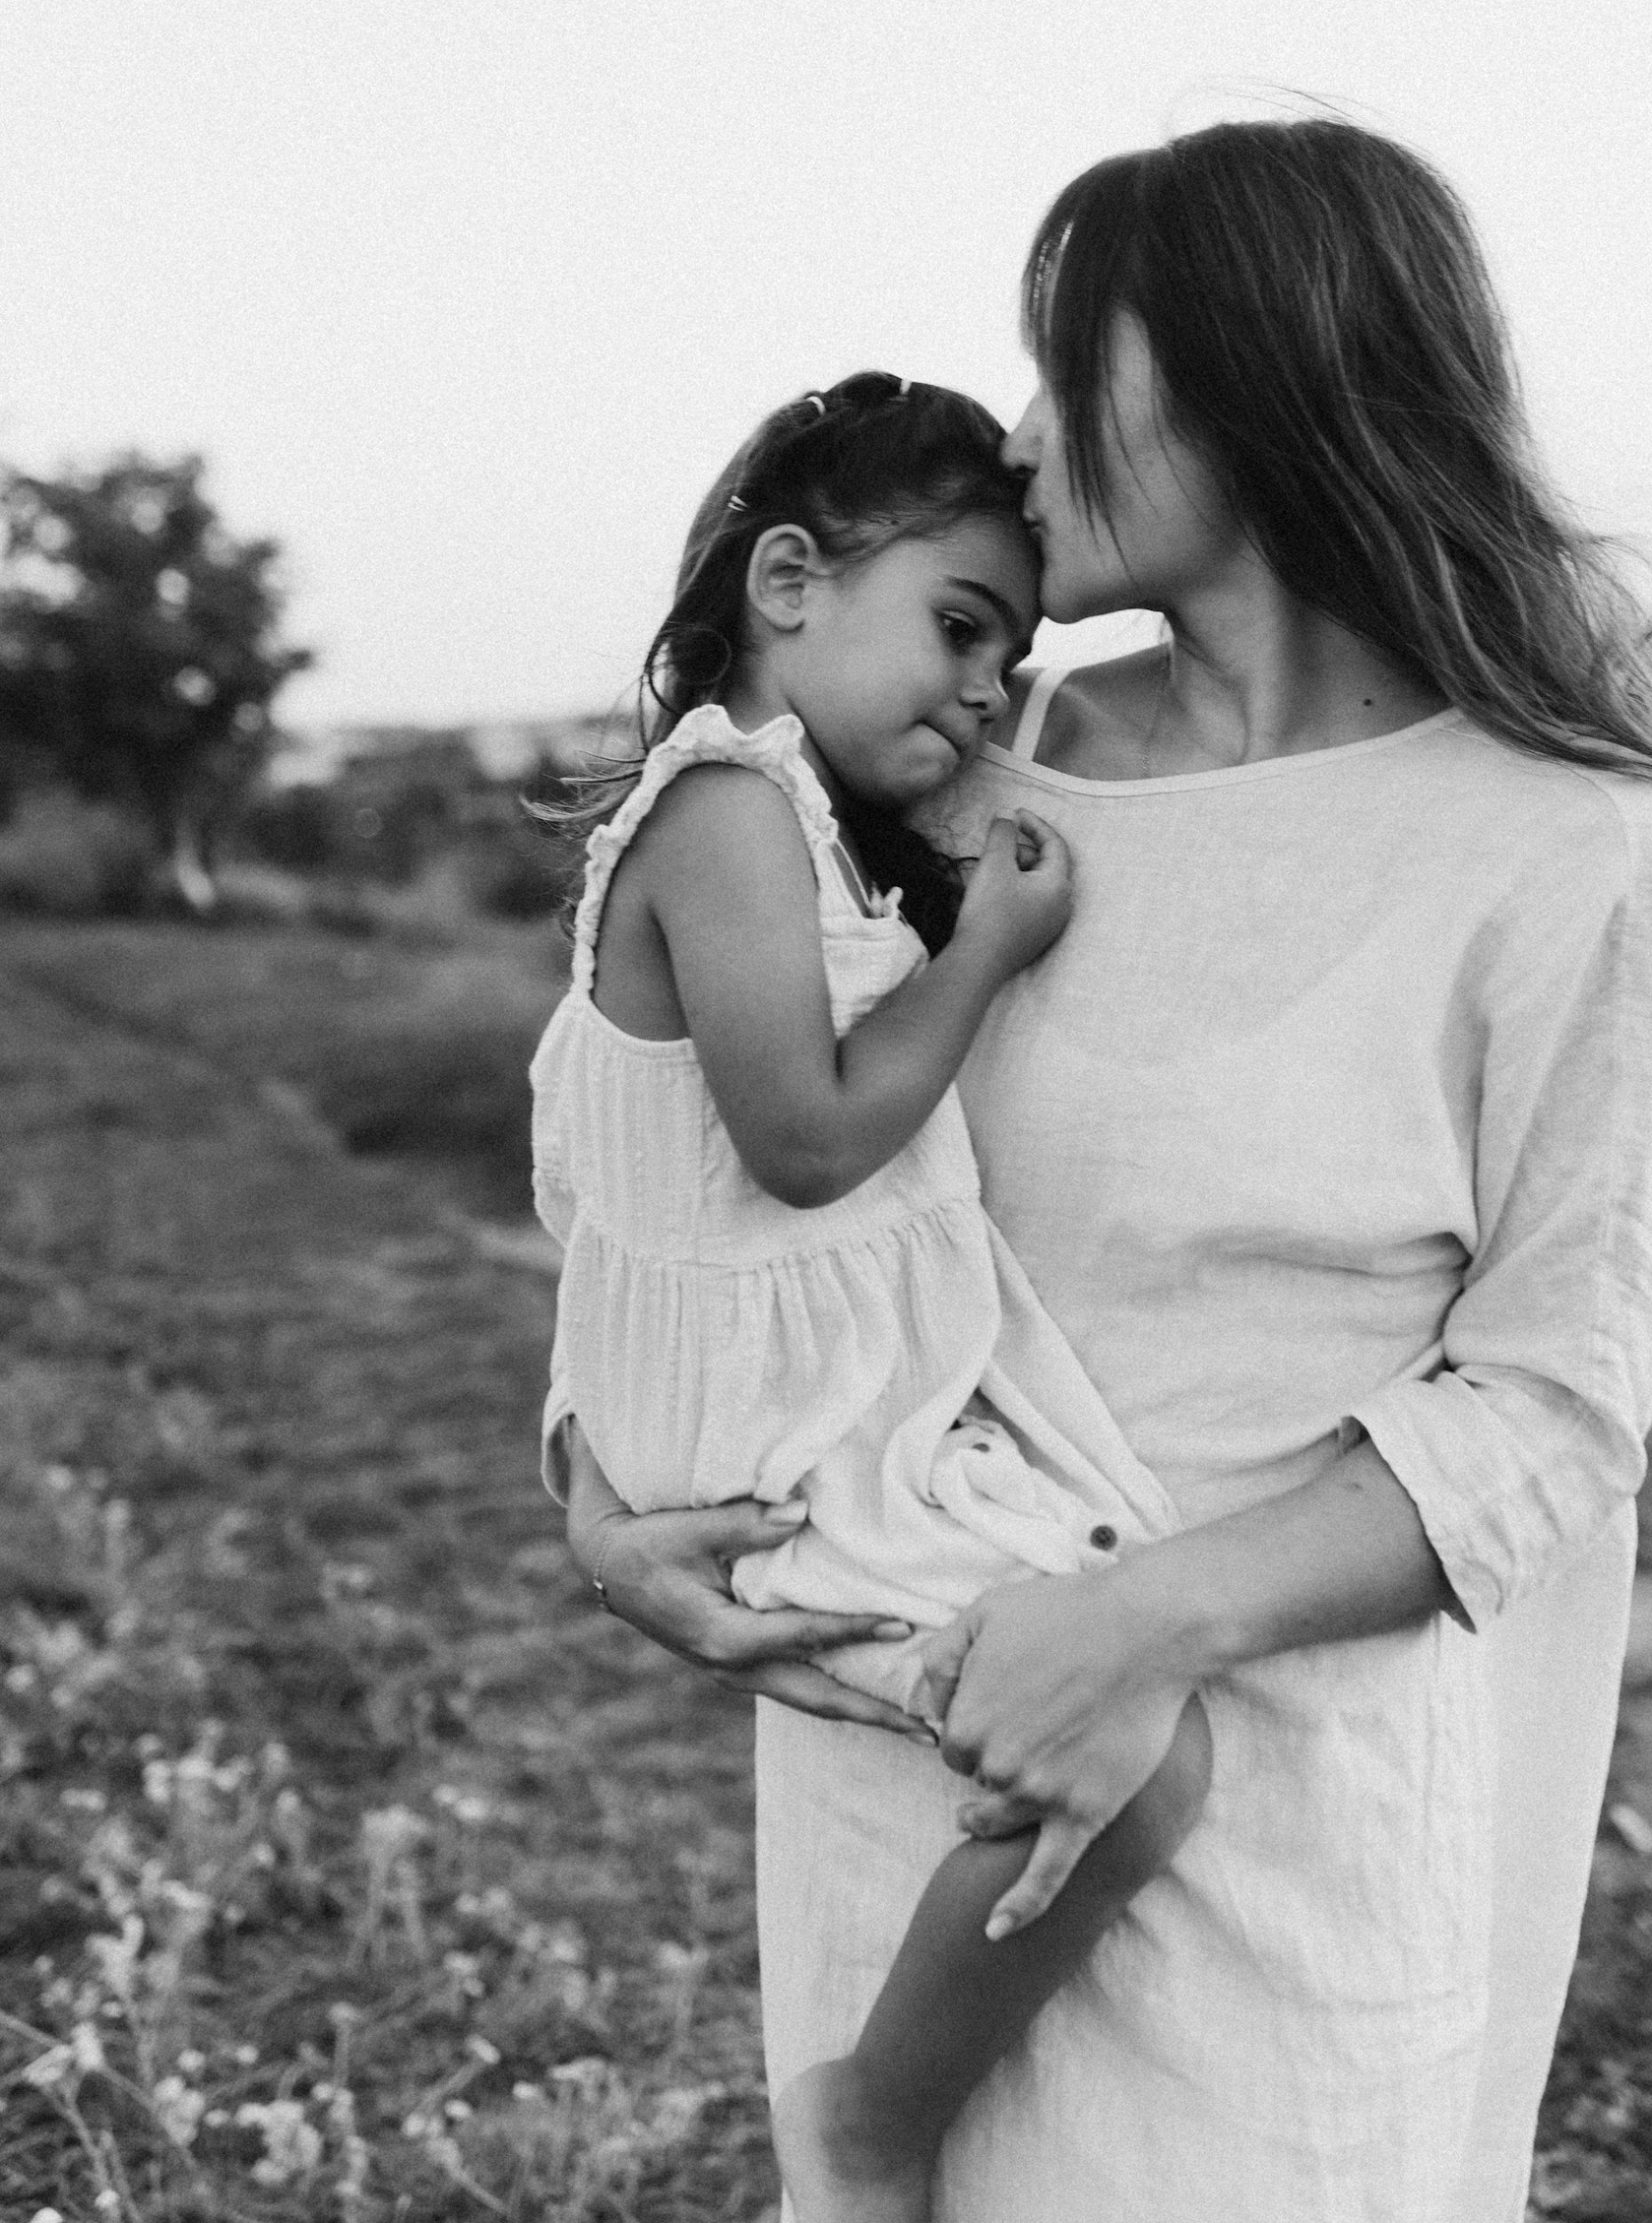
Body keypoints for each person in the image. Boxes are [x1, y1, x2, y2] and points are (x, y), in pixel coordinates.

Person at [567, 121, 1652, 2222]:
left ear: (1250, 372)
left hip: (1275, 1820)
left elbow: (1558, 1405)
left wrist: (1143, 1625)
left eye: (1063, 373)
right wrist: (596, 1484)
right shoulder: (962, 782)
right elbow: (675, 1122)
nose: (1018, 448)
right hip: (912, 1762)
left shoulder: (1589, 849)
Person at [533, 370, 1212, 2223]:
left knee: (1115, 1687)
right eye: (963, 628)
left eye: (1015, 655)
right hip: (773, 1436)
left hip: (797, 1394)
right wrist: (985, 947)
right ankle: (876, 2124)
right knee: (1136, 1748)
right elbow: (810, 1146)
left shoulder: (787, 822)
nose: (990, 693)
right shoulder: (731, 815)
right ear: (789, 580)